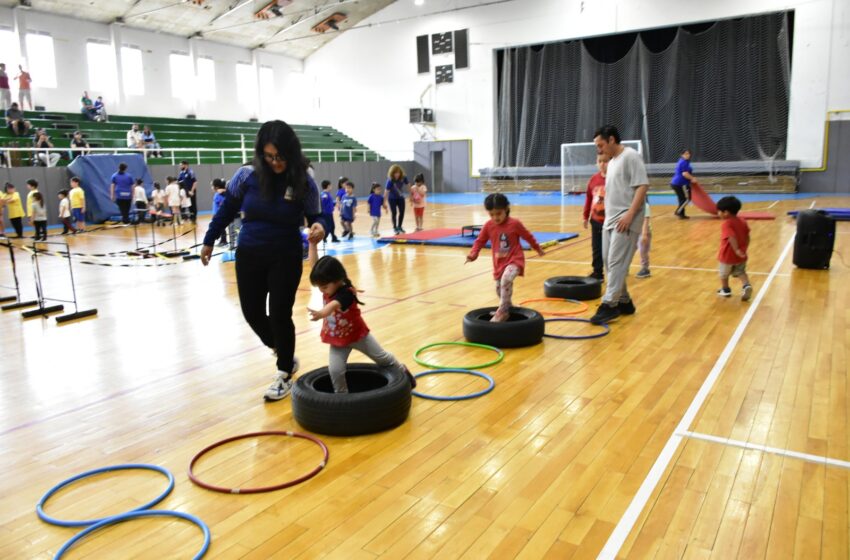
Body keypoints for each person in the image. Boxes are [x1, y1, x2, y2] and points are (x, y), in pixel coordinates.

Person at [200, 120, 326, 402]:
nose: (275, 162)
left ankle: (283, 374)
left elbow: (317, 214)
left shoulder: (303, 177)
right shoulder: (246, 174)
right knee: (251, 312)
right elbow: (227, 210)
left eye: (280, 156)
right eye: (269, 156)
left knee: (280, 313)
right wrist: (209, 240)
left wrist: (319, 226)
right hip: (250, 253)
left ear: (290, 152)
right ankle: (284, 351)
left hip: (286, 253)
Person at [306, 242, 415, 393]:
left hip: (358, 336)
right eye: (319, 287)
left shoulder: (346, 293)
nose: (321, 290)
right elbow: (314, 264)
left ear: (337, 280)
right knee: (336, 371)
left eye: (324, 287)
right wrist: (312, 244)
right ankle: (342, 398)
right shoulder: (328, 285)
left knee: (383, 359)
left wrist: (321, 314)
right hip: (338, 341)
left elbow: (333, 306)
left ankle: (402, 371)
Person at [589, 125, 649, 326]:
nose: (599, 149)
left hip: (626, 220)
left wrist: (631, 214)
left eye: (601, 145)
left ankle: (609, 305)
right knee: (608, 262)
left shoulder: (630, 156)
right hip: (610, 221)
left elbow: (642, 185)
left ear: (612, 140)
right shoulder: (612, 162)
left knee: (615, 262)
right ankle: (624, 301)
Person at [465, 193, 545, 322]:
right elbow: (479, 241)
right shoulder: (488, 226)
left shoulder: (515, 224)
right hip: (499, 263)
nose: (495, 217)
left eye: (498, 213)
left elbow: (527, 236)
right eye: (492, 214)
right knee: (499, 289)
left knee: (506, 279)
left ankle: (502, 311)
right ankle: (508, 307)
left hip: (515, 260)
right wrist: (473, 254)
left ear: (506, 209)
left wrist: (537, 248)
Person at [716, 196, 753, 301]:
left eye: (719, 211)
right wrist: (743, 249)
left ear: (726, 212)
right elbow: (748, 236)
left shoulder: (727, 223)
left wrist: (736, 250)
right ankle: (746, 285)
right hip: (741, 254)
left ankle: (725, 289)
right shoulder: (742, 221)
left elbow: (731, 237)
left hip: (728, 255)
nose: (718, 213)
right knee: (741, 272)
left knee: (723, 273)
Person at [582, 154, 608, 280]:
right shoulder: (593, 180)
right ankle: (598, 272)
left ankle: (618, 270)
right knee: (597, 247)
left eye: (606, 161)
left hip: (611, 221)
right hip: (596, 220)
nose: (603, 164)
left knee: (611, 249)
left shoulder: (615, 178)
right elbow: (588, 199)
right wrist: (585, 216)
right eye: (600, 161)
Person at [670, 148, 696, 219]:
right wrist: (692, 178)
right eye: (686, 154)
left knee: (682, 199)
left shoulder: (684, 161)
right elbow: (685, 174)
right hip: (680, 184)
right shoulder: (683, 162)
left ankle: (682, 215)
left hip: (676, 183)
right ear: (682, 155)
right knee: (687, 199)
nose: (688, 155)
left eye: (689, 153)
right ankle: (678, 211)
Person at [384, 164, 408, 234]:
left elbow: (408, 184)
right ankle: (395, 227)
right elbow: (386, 191)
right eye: (395, 173)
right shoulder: (390, 180)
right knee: (394, 213)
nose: (397, 174)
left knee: (402, 212)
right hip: (392, 199)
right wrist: (384, 202)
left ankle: (400, 226)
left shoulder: (403, 177)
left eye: (398, 172)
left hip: (400, 198)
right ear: (392, 173)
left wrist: (411, 196)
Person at [636, 201, 652, 278]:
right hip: (635, 230)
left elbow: (646, 220)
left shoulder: (645, 206)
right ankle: (625, 267)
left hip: (644, 231)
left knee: (643, 251)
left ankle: (645, 268)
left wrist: (644, 234)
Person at [211, 179, 228, 245]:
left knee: (221, 228)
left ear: (217, 187)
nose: (211, 187)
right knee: (221, 228)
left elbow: (221, 204)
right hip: (218, 214)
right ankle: (222, 240)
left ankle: (223, 241)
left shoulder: (218, 195)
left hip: (219, 214)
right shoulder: (218, 194)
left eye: (212, 186)